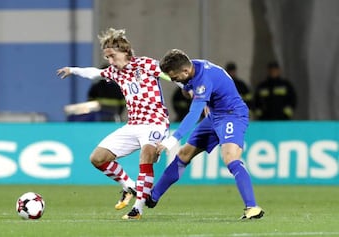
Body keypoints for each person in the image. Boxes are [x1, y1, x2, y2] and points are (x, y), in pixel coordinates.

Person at [57, 28, 173, 220]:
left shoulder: (145, 64)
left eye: (112, 56)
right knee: (97, 158)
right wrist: (73, 70)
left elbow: (171, 75)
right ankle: (128, 185)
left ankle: (138, 208)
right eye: (107, 57)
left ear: (125, 51)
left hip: (155, 123)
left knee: (146, 155)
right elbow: (95, 73)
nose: (110, 61)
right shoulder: (114, 72)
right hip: (133, 124)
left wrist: (190, 87)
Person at [145, 49, 264, 220]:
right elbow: (189, 90)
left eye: (174, 77)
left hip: (232, 115)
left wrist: (172, 140)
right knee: (184, 154)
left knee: (231, 158)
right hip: (214, 116)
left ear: (185, 71)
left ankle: (252, 207)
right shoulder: (192, 66)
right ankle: (153, 197)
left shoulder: (203, 79)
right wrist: (187, 89)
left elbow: (193, 114)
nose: (173, 80)